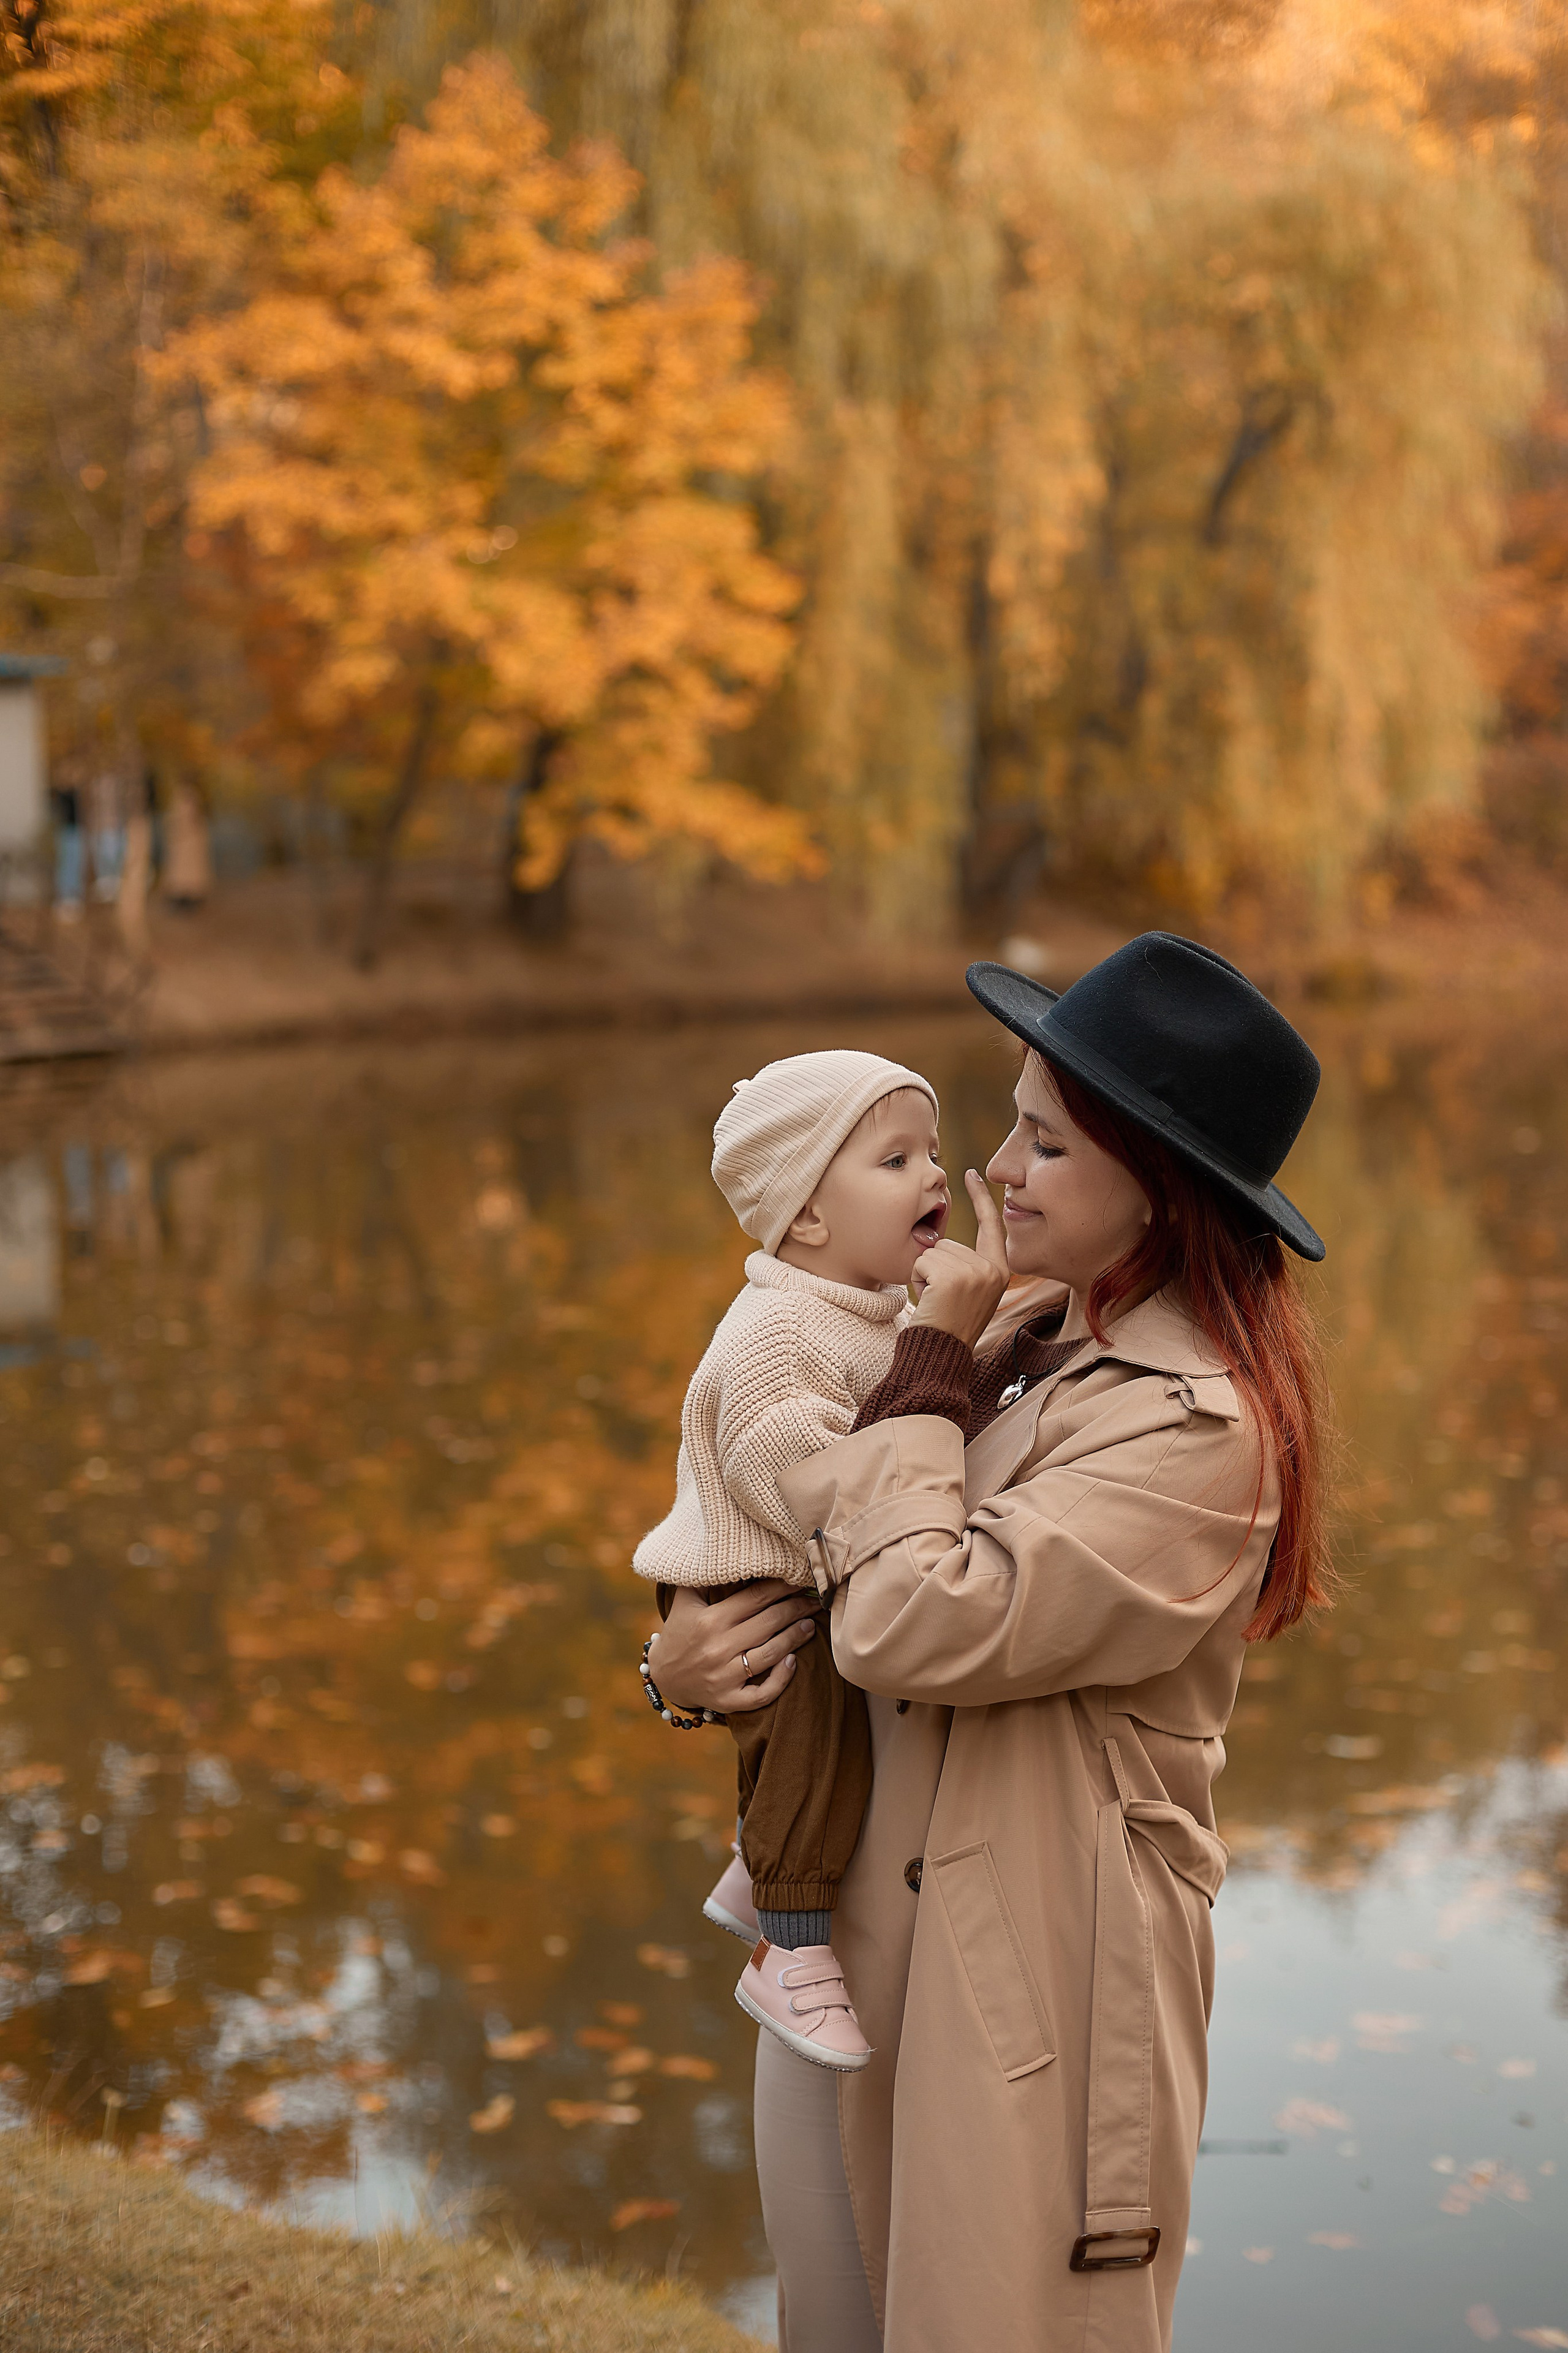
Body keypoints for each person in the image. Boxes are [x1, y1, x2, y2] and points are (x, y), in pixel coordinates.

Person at [643, 934, 1333, 2353]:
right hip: (841, 1946)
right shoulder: (1020, 1324)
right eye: (1006, 1125)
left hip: (1024, 1998)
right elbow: (787, 1533)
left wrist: (927, 1372)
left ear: (1158, 1184)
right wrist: (673, 1666)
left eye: (1044, 1145)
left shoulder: (1194, 1431)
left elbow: (904, 1616)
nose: (992, 1172)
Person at [635, 1051, 950, 2070]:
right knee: (811, 1730)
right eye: (897, 1158)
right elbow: (797, 1476)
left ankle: (754, 1868)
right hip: (753, 1567)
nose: (937, 1175)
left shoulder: (866, 1307)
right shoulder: (778, 1330)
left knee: (805, 1751)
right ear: (807, 1218)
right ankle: (790, 1946)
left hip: (786, 1558)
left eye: (934, 1151)